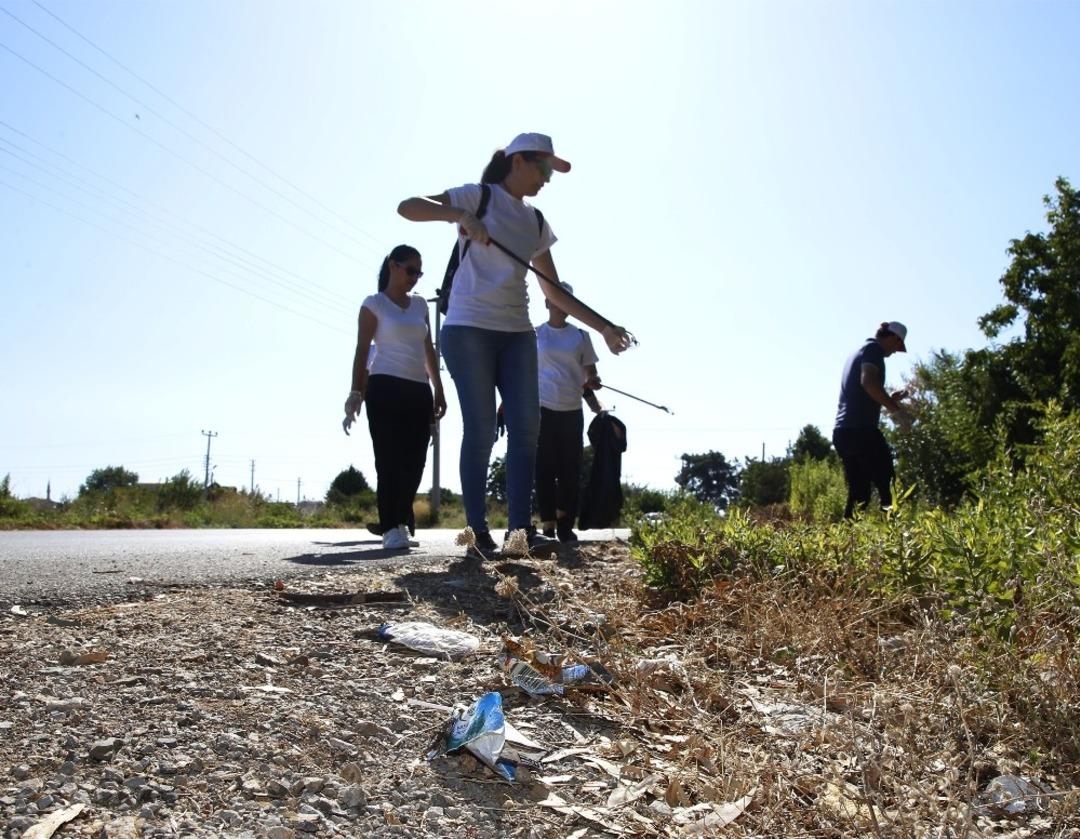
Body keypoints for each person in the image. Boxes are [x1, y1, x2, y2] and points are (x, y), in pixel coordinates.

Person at [397, 132, 633, 560]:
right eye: (543, 169)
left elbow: (553, 291)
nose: (547, 179)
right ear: (517, 162)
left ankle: (519, 533)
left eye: (551, 172)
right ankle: (476, 534)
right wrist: (460, 215)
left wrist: (603, 327)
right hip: (468, 328)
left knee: (527, 430)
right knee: (482, 427)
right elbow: (408, 206)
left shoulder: (536, 221)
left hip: (518, 333)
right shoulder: (478, 197)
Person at [342, 245, 446, 550]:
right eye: (410, 270)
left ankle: (401, 521)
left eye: (419, 273)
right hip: (384, 387)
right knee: (389, 459)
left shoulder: (420, 305)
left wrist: (438, 388)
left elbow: (428, 349)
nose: (415, 277)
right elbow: (362, 350)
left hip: (418, 390)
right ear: (392, 266)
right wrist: (355, 392)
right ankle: (390, 527)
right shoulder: (374, 304)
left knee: (415, 460)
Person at [535, 283, 605, 543]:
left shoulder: (581, 336)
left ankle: (565, 523)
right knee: (543, 467)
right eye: (557, 299)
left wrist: (593, 382)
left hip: (572, 409)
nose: (562, 304)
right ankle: (548, 523)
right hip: (542, 408)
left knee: (570, 470)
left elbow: (590, 372)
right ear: (547, 302)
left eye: (567, 300)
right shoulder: (535, 334)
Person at [832, 321, 913, 519]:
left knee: (860, 493)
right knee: (888, 484)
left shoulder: (859, 351)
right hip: (861, 431)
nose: (895, 352)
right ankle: (894, 532)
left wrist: (890, 399)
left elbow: (863, 394)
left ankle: (847, 534)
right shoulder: (874, 350)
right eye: (897, 346)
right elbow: (868, 383)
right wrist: (897, 412)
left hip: (843, 432)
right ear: (893, 338)